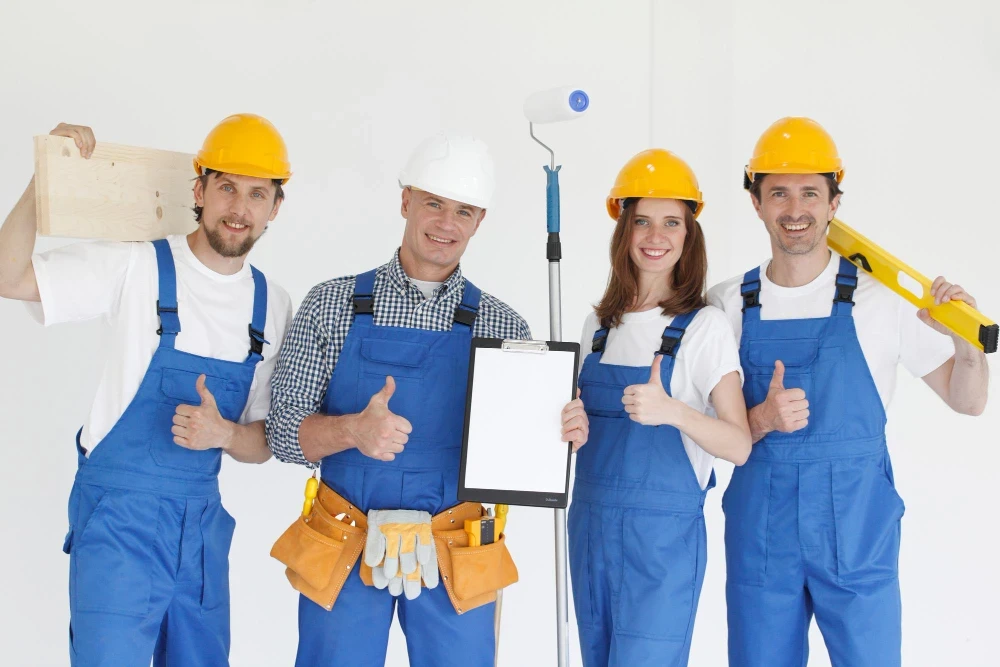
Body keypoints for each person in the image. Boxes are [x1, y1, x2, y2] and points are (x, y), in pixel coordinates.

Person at [265, 133, 589, 667]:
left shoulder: (503, 327)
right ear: (405, 201)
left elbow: (524, 456)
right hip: (345, 539)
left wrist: (560, 433)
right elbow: (281, 434)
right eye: (434, 203)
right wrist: (351, 431)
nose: (446, 223)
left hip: (456, 546)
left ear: (479, 221)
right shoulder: (331, 305)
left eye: (463, 211)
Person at [0, 114, 294, 666]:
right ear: (199, 190)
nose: (239, 208)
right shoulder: (135, 265)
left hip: (200, 534)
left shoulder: (271, 304)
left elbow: (264, 443)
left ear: (275, 207)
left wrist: (224, 434)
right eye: (227, 187)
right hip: (120, 527)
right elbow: (8, 276)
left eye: (258, 193)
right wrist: (45, 178)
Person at [708, 116, 990, 667]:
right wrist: (761, 418)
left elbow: (969, 400)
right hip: (762, 535)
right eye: (779, 193)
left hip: (858, 531)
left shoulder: (882, 299)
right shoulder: (726, 304)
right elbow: (704, 429)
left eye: (810, 193)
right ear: (756, 202)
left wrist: (966, 342)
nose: (795, 209)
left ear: (834, 203)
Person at [569, 149, 751, 667]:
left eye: (672, 222)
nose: (656, 236)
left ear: (689, 234)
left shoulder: (704, 327)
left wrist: (674, 412)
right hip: (589, 530)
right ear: (623, 229)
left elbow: (739, 445)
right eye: (642, 221)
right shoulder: (598, 328)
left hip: (661, 544)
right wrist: (571, 428)